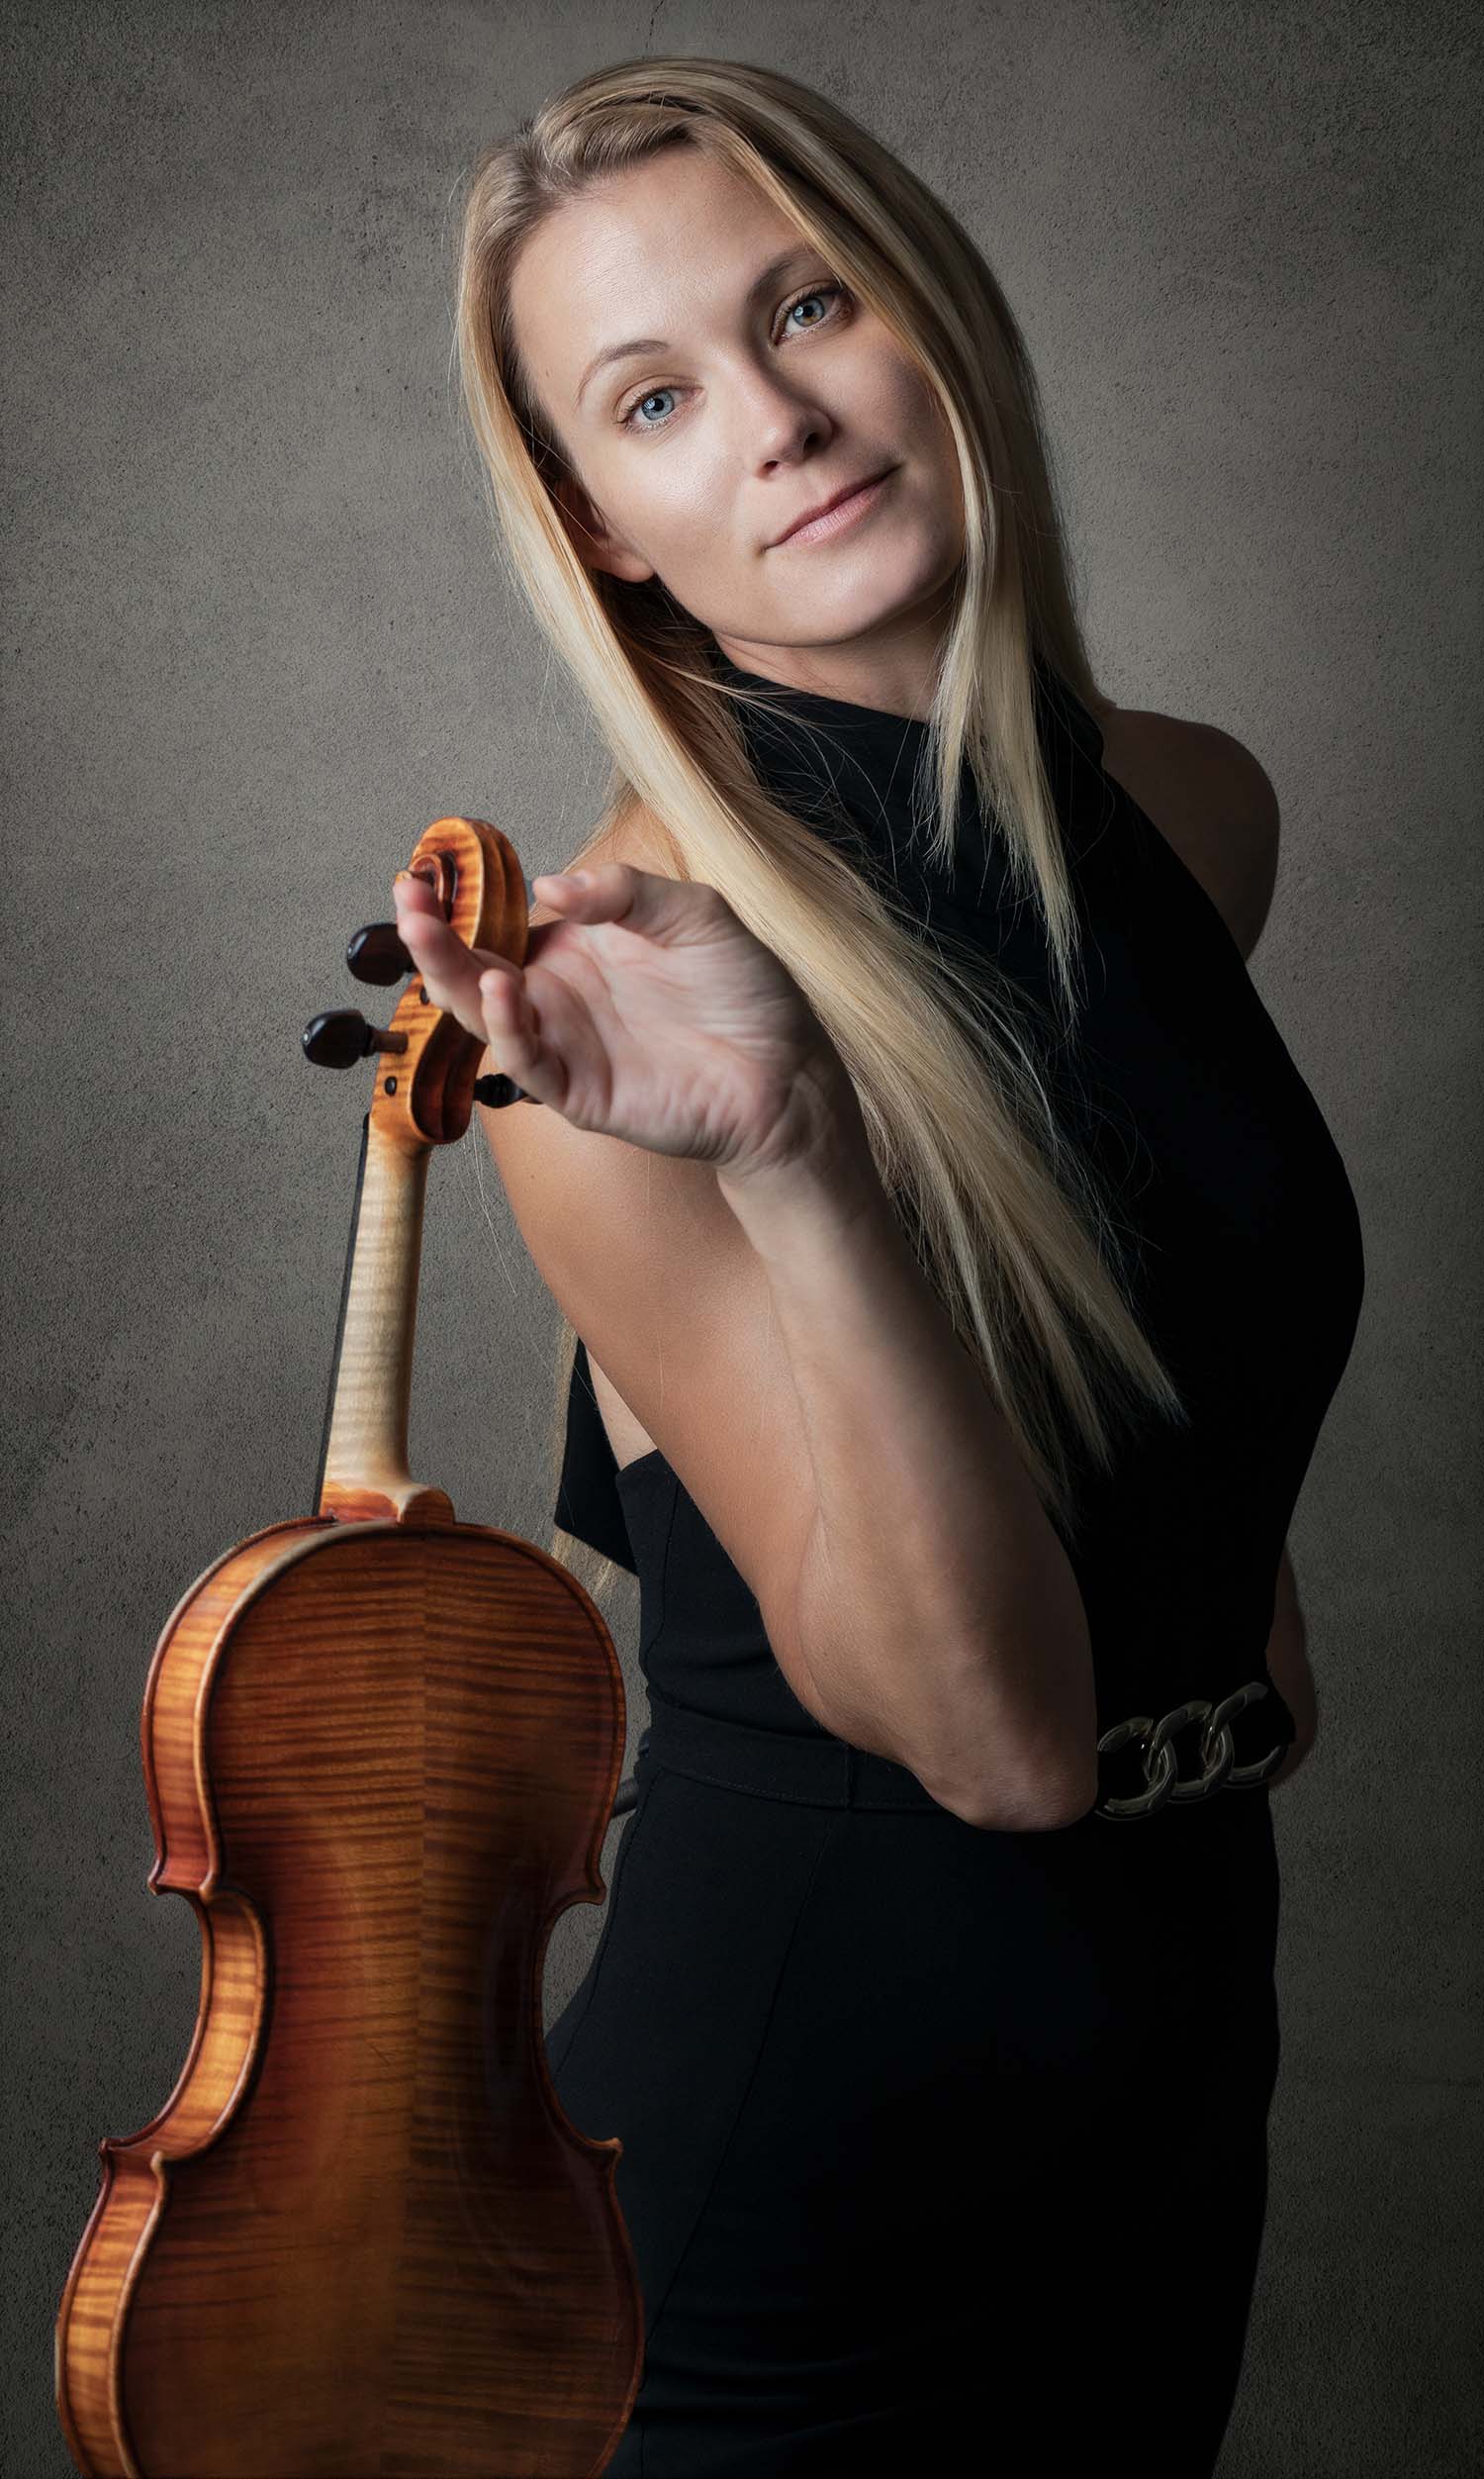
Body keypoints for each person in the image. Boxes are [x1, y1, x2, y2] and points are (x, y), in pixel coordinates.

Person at [394, 54, 1365, 2476]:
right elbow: (1005, 1745)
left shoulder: (1186, 806)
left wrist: (1234, 1681)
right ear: (604, 524)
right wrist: (795, 1146)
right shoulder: (602, 1053)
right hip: (813, 2143)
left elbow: (1180, 1331)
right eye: (653, 396)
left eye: (806, 301)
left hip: (1173, 2060)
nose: (776, 419)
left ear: (932, 309)